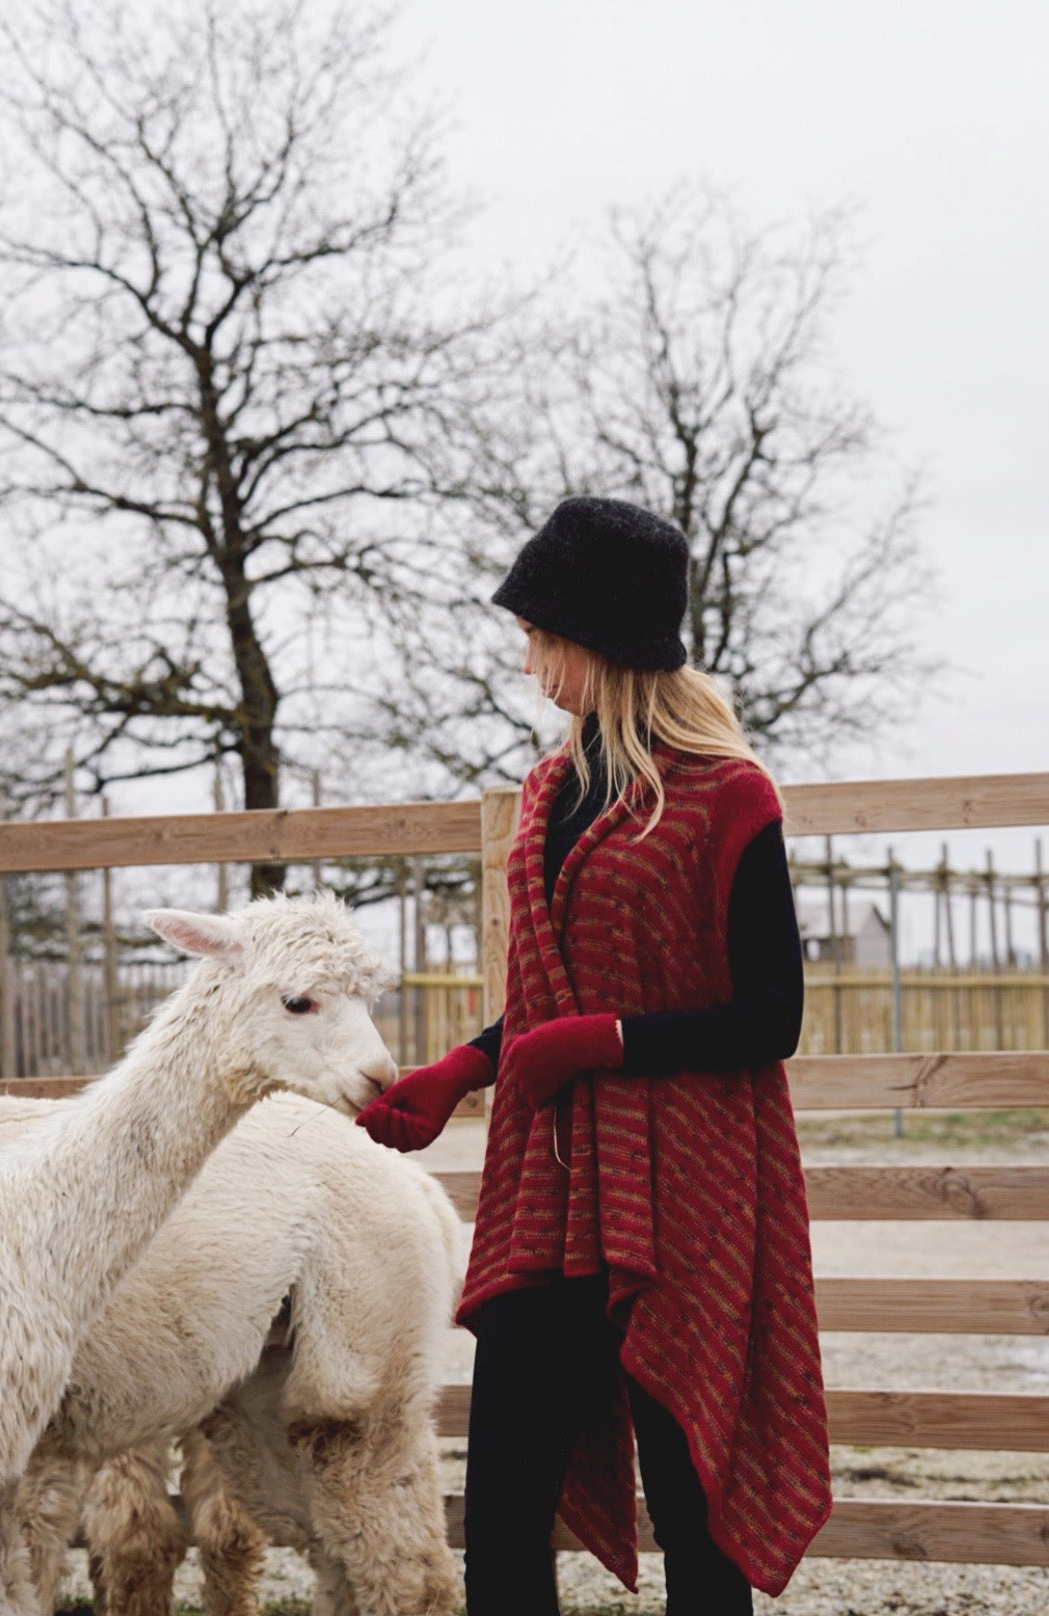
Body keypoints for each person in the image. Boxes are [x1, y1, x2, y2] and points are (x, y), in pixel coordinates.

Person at [357, 496, 832, 1615]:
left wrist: (607, 1042)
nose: (526, 659)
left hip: (682, 1195)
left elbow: (771, 1016)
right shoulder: (545, 790)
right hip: (547, 1188)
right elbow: (542, 997)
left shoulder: (728, 795)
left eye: (538, 634)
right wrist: (463, 1068)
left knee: (691, 1503)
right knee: (504, 1502)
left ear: (599, 635)